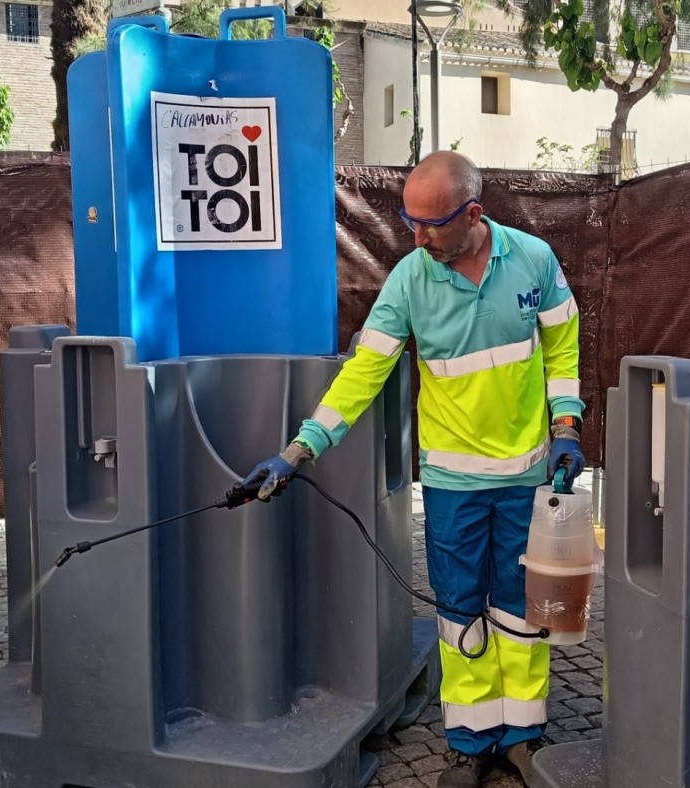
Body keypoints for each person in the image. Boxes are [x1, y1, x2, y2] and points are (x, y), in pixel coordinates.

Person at [243, 151, 584, 788]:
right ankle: (469, 740)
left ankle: (523, 736)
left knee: (521, 609)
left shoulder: (534, 261)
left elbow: (563, 346)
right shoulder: (408, 281)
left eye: (430, 224)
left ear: (473, 214)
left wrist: (566, 426)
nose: (417, 236)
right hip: (455, 485)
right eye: (409, 221)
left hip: (527, 477)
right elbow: (364, 372)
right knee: (459, 612)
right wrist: (299, 450)